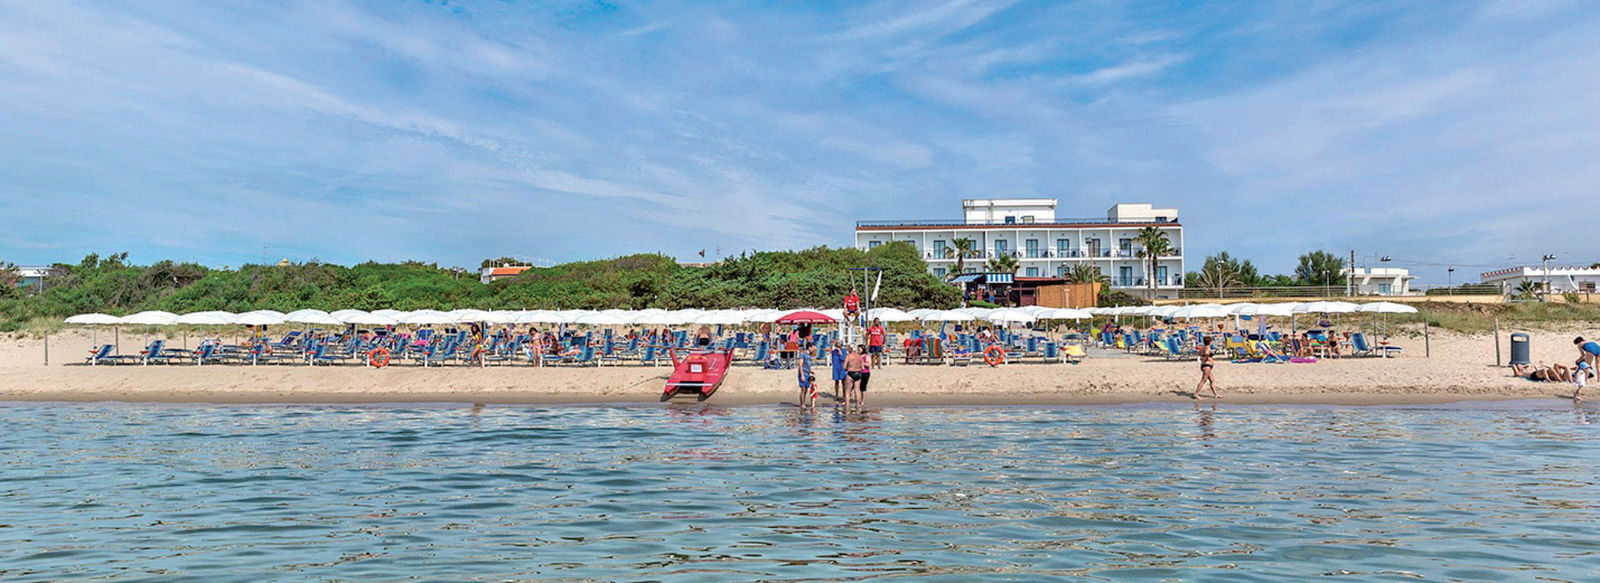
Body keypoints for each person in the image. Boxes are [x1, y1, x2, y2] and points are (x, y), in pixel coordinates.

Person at [843, 344, 865, 409]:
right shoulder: (859, 356)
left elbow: (844, 366)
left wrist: (848, 368)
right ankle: (857, 406)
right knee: (857, 390)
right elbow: (863, 367)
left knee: (847, 391)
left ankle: (847, 406)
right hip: (858, 373)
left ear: (850, 349)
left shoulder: (849, 356)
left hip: (850, 373)